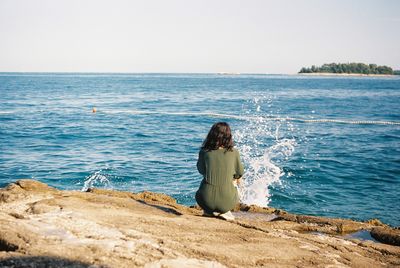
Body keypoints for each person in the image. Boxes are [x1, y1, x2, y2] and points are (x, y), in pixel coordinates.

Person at [195, 122, 244, 221]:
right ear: (228, 136)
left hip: (204, 201)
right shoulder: (234, 152)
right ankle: (225, 211)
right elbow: (239, 173)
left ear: (211, 135)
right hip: (227, 203)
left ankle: (208, 211)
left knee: (206, 180)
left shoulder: (204, 152)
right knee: (236, 180)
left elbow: (201, 170)